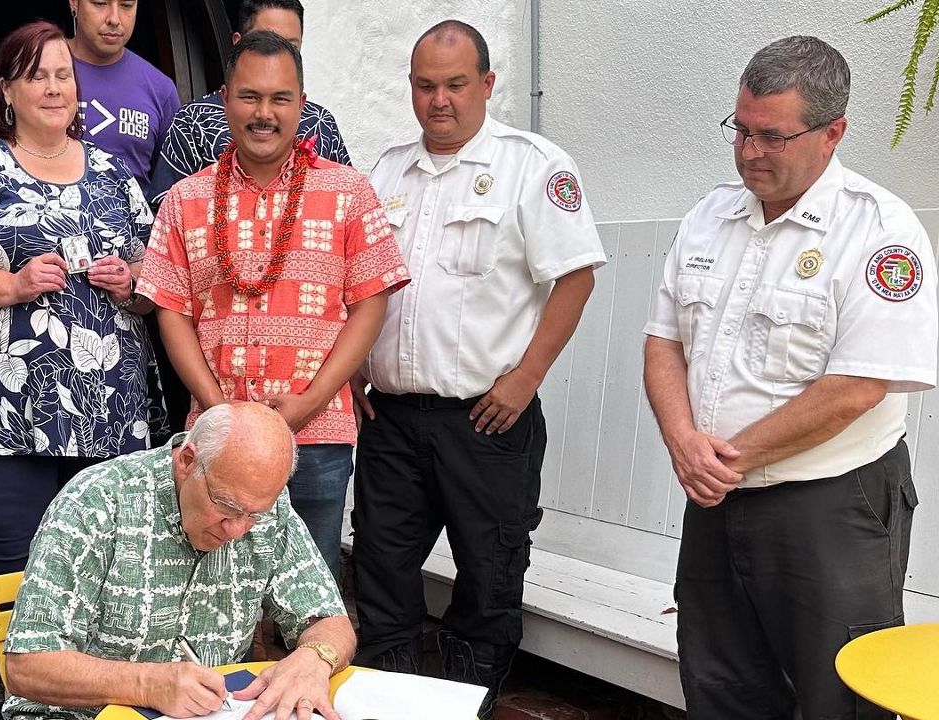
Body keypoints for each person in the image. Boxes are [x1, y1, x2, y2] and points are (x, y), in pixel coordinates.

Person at [643, 36, 937, 718]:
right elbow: (663, 340)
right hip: (716, 499)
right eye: (740, 130)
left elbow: (859, 387)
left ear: (833, 133)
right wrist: (686, 440)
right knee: (720, 686)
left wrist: (725, 458)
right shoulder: (710, 216)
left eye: (772, 137)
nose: (749, 153)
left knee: (842, 697)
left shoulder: (879, 232)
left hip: (829, 508)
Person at [0, 21, 167, 719]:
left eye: (63, 75)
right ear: (8, 89)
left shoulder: (111, 171)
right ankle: (4, 684)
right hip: (2, 407)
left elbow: (159, 279)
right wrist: (13, 286)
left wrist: (129, 279)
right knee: (3, 555)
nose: (54, 87)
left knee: (101, 554)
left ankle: (87, 687)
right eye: (36, 74)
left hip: (107, 411)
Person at [350, 21, 605, 719]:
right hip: (393, 417)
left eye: (456, 85)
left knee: (488, 577)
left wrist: (525, 380)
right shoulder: (386, 173)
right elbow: (360, 281)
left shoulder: (533, 166)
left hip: (487, 419)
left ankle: (469, 706)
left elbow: (576, 277)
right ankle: (385, 702)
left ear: (487, 85)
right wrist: (351, 369)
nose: (440, 101)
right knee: (380, 570)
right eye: (426, 86)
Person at [137, 30, 409, 580]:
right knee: (214, 595)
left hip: (317, 435)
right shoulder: (186, 199)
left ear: (301, 106)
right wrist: (218, 409)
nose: (265, 113)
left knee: (308, 593)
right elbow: (172, 310)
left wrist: (311, 400)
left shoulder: (350, 193)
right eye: (250, 97)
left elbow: (370, 304)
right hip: (215, 438)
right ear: (224, 98)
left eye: (280, 99)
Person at [2, 402, 355, 720]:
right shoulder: (96, 502)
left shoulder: (267, 509)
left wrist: (315, 656)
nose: (236, 529)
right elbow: (28, 666)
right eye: (226, 507)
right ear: (187, 461)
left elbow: (330, 620)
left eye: (253, 515)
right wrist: (146, 684)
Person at [148, 0, 352, 209]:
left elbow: (347, 202)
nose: (276, 56)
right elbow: (165, 211)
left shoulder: (320, 123)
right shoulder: (194, 121)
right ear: (237, 42)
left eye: (291, 47)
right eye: (264, 42)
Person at [66, 0, 180, 193]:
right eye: (100, 3)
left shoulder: (160, 89)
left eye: (126, 5)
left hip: (128, 220)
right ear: (74, 3)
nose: (114, 19)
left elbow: (170, 193)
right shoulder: (35, 71)